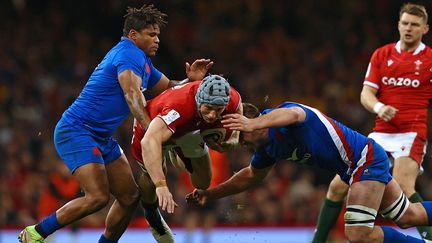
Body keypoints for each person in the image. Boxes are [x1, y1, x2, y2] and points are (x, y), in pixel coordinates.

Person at [18, 4, 214, 243]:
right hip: (77, 130)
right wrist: (151, 131)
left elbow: (169, 86)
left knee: (130, 196)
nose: (157, 40)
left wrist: (190, 81)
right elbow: (132, 95)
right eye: (151, 34)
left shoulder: (142, 61)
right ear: (133, 35)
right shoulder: (127, 53)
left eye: (158, 35)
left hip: (101, 137)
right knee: (97, 197)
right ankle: (35, 233)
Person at [186, 102, 432, 243]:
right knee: (407, 216)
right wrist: (211, 194)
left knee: (358, 232)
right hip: (356, 167)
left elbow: (295, 114)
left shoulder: (284, 114)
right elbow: (250, 176)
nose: (240, 143)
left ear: (252, 121)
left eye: (240, 133)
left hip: (363, 160)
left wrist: (254, 123)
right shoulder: (267, 149)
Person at [312, 3, 432, 242]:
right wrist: (379, 107)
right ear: (398, 25)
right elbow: (366, 94)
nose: (409, 28)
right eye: (405, 23)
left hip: (411, 133)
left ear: (425, 29)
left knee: (403, 187)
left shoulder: (429, 59)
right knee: (337, 187)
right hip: (380, 133)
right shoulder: (382, 54)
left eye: (415, 25)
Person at [130, 75, 242, 242]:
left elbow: (239, 108)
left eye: (218, 110)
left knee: (203, 183)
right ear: (199, 99)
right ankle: (152, 215)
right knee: (150, 178)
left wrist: (233, 139)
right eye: (209, 108)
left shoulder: (231, 98)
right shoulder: (179, 106)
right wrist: (161, 185)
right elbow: (149, 141)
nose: (212, 115)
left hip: (187, 130)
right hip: (150, 130)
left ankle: (178, 148)